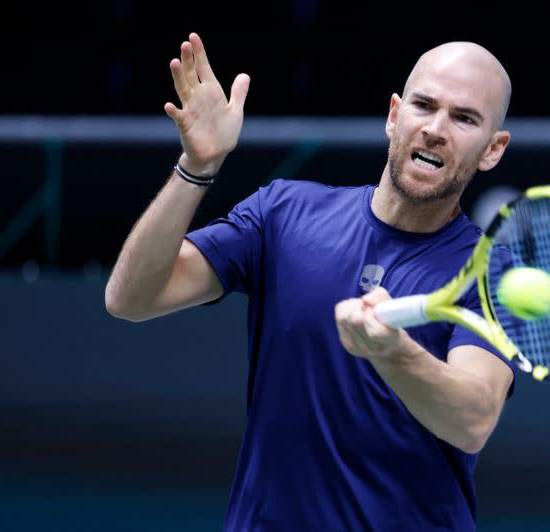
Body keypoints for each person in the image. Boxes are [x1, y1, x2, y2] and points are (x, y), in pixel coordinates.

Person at [105, 32, 515, 531]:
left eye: (464, 118)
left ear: (493, 149)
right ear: (393, 116)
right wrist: (197, 166)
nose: (435, 129)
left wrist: (392, 352)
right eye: (423, 105)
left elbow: (471, 419)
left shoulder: (492, 271)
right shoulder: (283, 212)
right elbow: (131, 298)